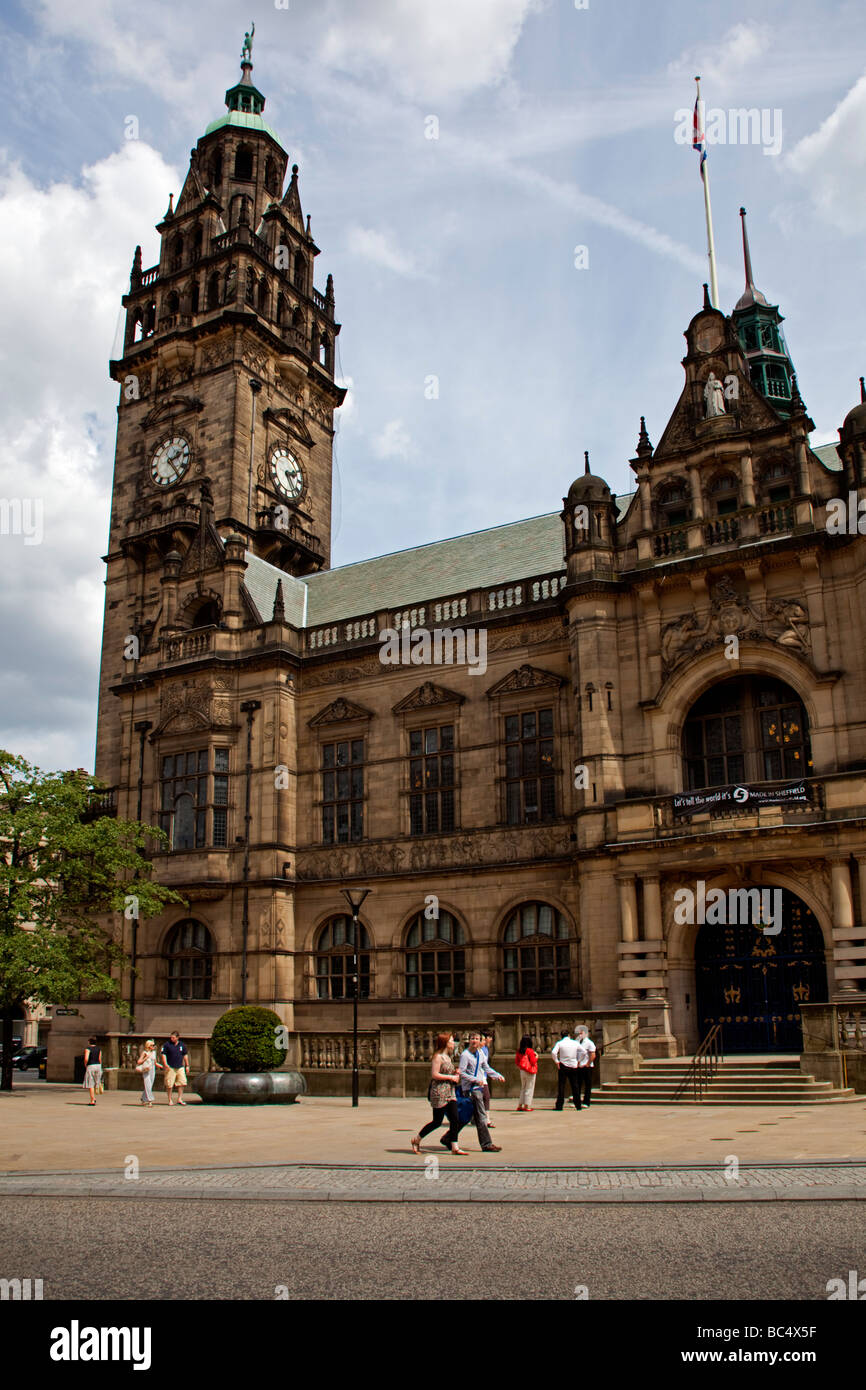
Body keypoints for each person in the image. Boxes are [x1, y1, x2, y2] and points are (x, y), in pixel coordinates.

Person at [411, 1033, 468, 1156]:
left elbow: (445, 1070)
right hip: (439, 1092)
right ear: (446, 1043)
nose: (454, 1043)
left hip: (450, 1091)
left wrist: (455, 1071)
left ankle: (454, 1146)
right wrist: (451, 1077)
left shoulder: (448, 1057)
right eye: (452, 1040)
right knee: (437, 1121)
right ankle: (416, 1140)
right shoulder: (438, 1057)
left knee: (455, 1119)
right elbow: (435, 1074)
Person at [457, 1031, 503, 1152]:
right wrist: (475, 1080)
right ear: (469, 1040)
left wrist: (497, 1075)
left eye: (477, 1039)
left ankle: (447, 1138)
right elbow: (461, 1072)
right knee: (481, 1117)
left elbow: (485, 1067)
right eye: (472, 1038)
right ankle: (487, 1144)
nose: (474, 1041)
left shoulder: (480, 1053)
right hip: (470, 1089)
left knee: (466, 1118)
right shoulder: (465, 1055)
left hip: (478, 1088)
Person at [552, 1028, 587, 1111]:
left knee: (561, 1086)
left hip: (563, 1065)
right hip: (573, 1065)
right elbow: (584, 1052)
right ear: (569, 1035)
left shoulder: (560, 1043)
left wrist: (557, 1061)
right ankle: (578, 1104)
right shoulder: (575, 1043)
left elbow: (553, 1052)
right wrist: (579, 1060)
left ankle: (559, 1105)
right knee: (575, 1085)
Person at [160, 1031, 190, 1106]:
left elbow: (185, 1055)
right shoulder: (167, 1044)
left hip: (180, 1066)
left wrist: (187, 1065)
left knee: (182, 1082)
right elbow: (163, 1054)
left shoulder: (182, 1045)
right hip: (171, 1067)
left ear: (177, 1037)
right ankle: (170, 1099)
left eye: (173, 1037)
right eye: (171, 1037)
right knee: (169, 1084)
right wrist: (165, 1063)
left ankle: (179, 1098)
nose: (172, 1038)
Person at [135, 1039, 162, 1107]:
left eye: (154, 1045)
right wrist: (145, 1058)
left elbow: (155, 1062)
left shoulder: (154, 1053)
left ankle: (143, 1098)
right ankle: (150, 1100)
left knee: (150, 1085)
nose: (153, 1046)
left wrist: (161, 1066)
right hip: (146, 1070)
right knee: (148, 1085)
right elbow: (139, 1062)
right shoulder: (145, 1052)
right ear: (148, 1046)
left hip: (152, 1069)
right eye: (152, 1045)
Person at [515, 1034, 538, 1111]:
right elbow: (533, 1061)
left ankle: (520, 1105)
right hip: (530, 1071)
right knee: (529, 1088)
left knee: (523, 1087)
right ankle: (527, 1105)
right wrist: (537, 1057)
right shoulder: (530, 1051)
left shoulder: (519, 1050)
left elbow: (517, 1061)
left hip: (522, 1070)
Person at [575, 1025, 597, 1108]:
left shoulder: (589, 1043)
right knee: (578, 1084)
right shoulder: (577, 1041)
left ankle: (586, 1101)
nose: (580, 1034)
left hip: (587, 1066)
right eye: (579, 1033)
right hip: (579, 1065)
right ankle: (577, 1101)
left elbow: (593, 1055)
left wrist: (588, 1064)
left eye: (581, 1033)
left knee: (587, 1084)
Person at [480, 1031, 496, 1125]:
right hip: (479, 1078)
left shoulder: (486, 1049)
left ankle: (484, 1118)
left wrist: (493, 1075)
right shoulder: (480, 1050)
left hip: (484, 1077)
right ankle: (486, 1119)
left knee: (483, 1098)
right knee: (485, 1097)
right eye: (489, 1037)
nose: (490, 1039)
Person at [82, 1037, 103, 1105]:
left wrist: (85, 1064)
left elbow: (86, 1058)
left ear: (89, 1042)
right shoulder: (99, 1049)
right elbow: (100, 1059)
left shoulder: (88, 1049)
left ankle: (92, 1099)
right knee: (96, 1081)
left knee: (90, 1083)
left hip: (91, 1066)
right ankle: (96, 1093)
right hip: (98, 1066)